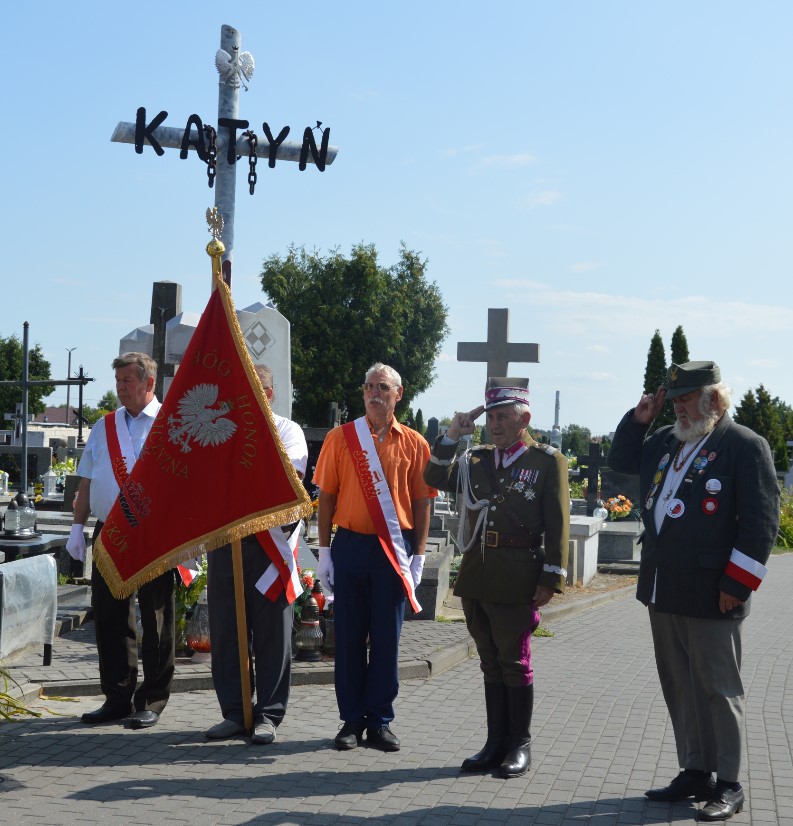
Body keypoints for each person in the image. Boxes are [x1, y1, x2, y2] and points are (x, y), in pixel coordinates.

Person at [607, 361, 780, 821]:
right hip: (664, 588)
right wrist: (639, 418)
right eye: (676, 400)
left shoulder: (743, 445)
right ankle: (695, 770)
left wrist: (737, 585)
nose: (679, 408)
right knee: (680, 685)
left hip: (713, 591)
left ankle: (728, 782)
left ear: (714, 400)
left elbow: (761, 522)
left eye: (686, 399)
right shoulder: (667, 441)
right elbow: (622, 463)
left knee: (719, 688)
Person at [424, 378, 569, 778]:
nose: (495, 424)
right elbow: (433, 478)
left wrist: (551, 577)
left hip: (518, 574)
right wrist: (453, 434)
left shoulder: (545, 461)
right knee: (490, 661)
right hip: (477, 572)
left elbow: (557, 522)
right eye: (491, 417)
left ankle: (519, 744)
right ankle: (494, 743)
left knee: (514, 660)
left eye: (504, 416)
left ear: (525, 418)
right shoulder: (476, 459)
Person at [313, 362, 435, 752]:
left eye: (382, 387)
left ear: (398, 394)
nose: (373, 393)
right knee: (347, 637)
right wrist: (325, 551)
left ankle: (380, 720)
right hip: (349, 546)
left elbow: (422, 502)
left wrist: (417, 558)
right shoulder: (340, 438)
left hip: (392, 551)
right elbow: (326, 496)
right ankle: (350, 720)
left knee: (387, 640)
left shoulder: (415, 443)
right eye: (368, 386)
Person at [66, 352, 174, 729]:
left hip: (154, 533)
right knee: (110, 616)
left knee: (155, 617)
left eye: (128, 380)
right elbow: (87, 481)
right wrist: (77, 528)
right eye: (118, 381)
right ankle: (116, 697)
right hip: (109, 531)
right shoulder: (104, 426)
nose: (121, 388)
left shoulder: (170, 422)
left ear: (149, 383)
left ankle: (152, 700)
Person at [204, 364, 308, 745]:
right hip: (225, 543)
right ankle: (235, 712)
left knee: (271, 635)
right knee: (226, 631)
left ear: (268, 394)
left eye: (255, 390)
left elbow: (287, 477)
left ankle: (268, 714)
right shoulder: (220, 432)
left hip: (268, 545)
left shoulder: (288, 431)